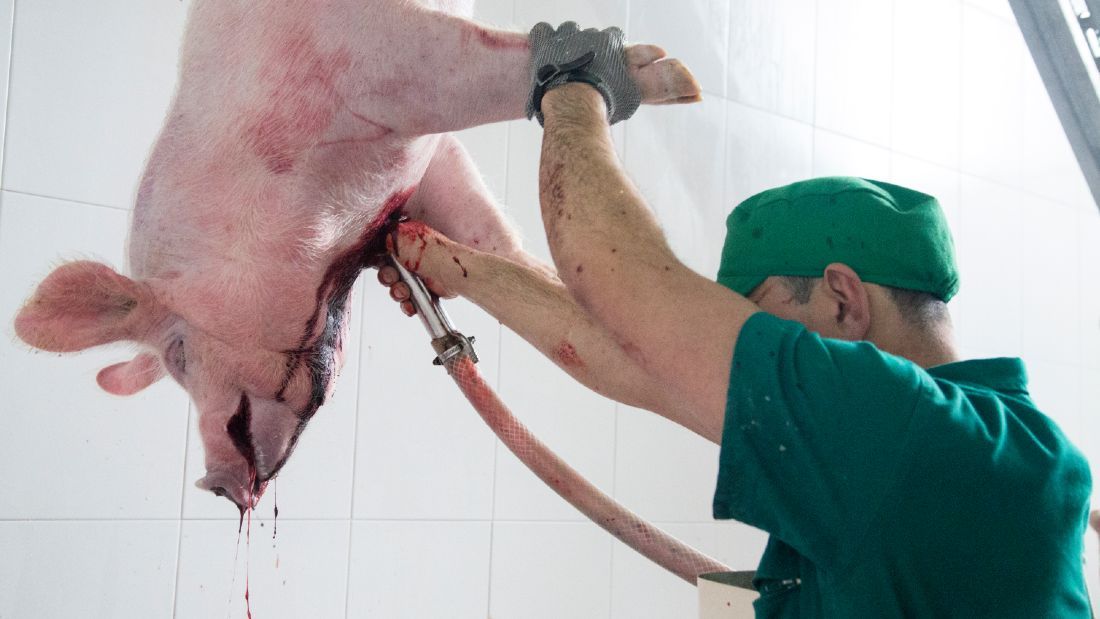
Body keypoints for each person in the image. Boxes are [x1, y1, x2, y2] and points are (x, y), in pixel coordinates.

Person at [378, 23, 1095, 617]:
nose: (733, 344)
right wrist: (449, 265)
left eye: (757, 320)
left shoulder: (916, 440)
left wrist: (571, 87)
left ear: (842, 298)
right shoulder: (940, 463)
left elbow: (619, 277)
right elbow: (633, 352)